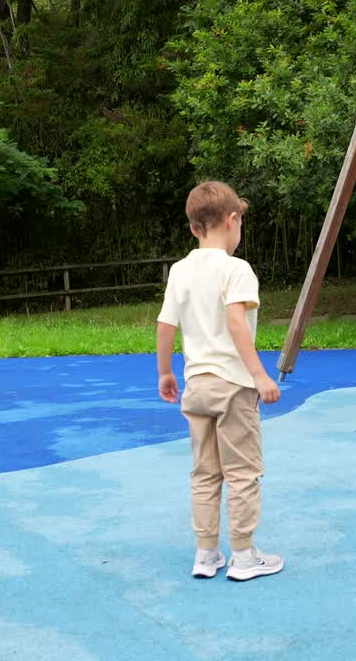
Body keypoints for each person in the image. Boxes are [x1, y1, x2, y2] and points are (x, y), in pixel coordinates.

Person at [156, 180, 284, 582]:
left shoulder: (180, 270)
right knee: (243, 471)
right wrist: (259, 373)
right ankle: (244, 555)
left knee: (205, 473)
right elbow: (235, 322)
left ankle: (206, 553)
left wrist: (165, 371)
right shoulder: (237, 269)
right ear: (232, 221)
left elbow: (165, 325)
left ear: (195, 228)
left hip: (196, 385)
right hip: (233, 385)